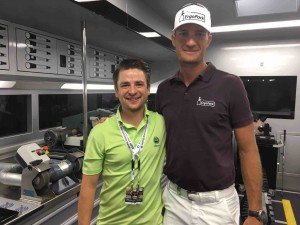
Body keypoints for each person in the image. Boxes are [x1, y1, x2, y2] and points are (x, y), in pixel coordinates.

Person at [155, 3, 264, 225]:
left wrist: (255, 212)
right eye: (183, 33)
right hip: (174, 200)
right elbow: (156, 136)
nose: (191, 41)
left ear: (209, 39)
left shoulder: (230, 84)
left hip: (217, 207)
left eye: (199, 34)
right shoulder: (164, 89)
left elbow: (248, 149)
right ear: (173, 39)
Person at [78, 59, 166, 225]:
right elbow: (88, 187)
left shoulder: (162, 124)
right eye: (125, 85)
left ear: (148, 89)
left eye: (139, 84)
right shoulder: (100, 132)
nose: (132, 91)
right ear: (116, 91)